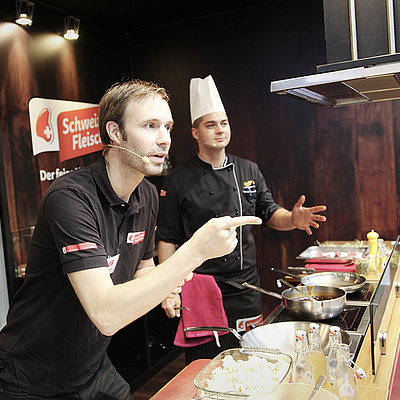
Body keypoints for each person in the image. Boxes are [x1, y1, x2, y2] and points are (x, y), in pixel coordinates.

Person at [0, 79, 261, 399]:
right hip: (30, 376)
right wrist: (194, 251)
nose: (164, 139)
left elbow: (142, 266)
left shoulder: (147, 194)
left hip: (92, 365)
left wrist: (168, 287)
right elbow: (106, 314)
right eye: (150, 126)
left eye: (167, 127)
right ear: (115, 132)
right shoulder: (70, 197)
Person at [156, 75, 327, 363]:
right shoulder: (177, 180)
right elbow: (167, 239)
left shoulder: (248, 170)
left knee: (252, 361)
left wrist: (292, 219)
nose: (220, 130)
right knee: (206, 365)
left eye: (224, 123)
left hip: (246, 287)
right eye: (211, 125)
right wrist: (168, 290)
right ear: (195, 132)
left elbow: (269, 213)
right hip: (200, 289)